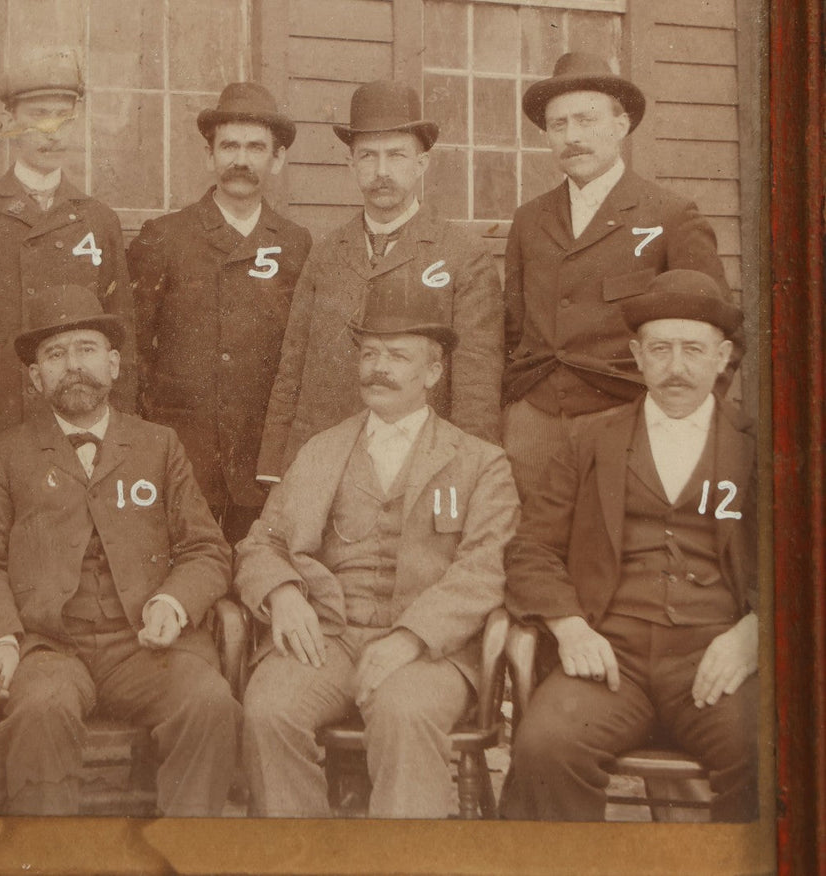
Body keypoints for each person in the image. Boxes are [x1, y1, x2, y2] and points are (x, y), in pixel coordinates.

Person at [236, 275, 518, 818]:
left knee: (404, 711)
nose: (378, 368)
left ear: (433, 371)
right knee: (269, 708)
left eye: (397, 355)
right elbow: (260, 544)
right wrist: (284, 595)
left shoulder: (480, 462)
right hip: (331, 636)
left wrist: (411, 637)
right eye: (369, 354)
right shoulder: (321, 450)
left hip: (429, 649)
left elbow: (483, 571)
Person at [0, 284, 238, 816]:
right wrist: (6, 638)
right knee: (40, 709)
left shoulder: (159, 445)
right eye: (55, 355)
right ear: (36, 377)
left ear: (113, 364)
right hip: (50, 647)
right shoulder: (4, 455)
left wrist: (172, 603)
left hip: (144, 647)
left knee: (209, 701)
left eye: (85, 349)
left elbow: (206, 549)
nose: (73, 365)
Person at [502, 269, 757, 822]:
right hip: (609, 659)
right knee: (546, 747)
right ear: (637, 357)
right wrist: (569, 626)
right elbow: (531, 550)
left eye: (694, 349)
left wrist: (758, 633)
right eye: (660, 350)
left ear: (723, 357)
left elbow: (805, 562)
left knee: (773, 752)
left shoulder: (759, 447)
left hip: (716, 657)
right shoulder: (587, 438)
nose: (677, 367)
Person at [0, 47, 134, 514]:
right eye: (37, 117)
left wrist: (121, 436)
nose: (51, 131)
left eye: (62, 116)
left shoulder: (98, 220)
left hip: (70, 420)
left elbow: (122, 342)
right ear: (7, 121)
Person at [502, 53, 730, 497]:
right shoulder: (529, 219)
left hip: (628, 425)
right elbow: (511, 330)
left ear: (621, 125)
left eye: (586, 120)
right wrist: (514, 415)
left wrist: (678, 427)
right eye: (558, 125)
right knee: (529, 551)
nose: (573, 137)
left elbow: (720, 335)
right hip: (533, 431)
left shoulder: (671, 215)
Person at [257, 80, 501, 483]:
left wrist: (466, 480)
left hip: (419, 468)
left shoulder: (462, 254)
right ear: (350, 164)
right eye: (368, 156)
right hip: (326, 464)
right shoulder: (326, 252)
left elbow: (476, 389)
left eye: (397, 155)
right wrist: (276, 469)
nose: (382, 171)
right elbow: (292, 369)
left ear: (421, 163)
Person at [127, 82, 312, 542]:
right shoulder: (164, 237)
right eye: (229, 146)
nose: (241, 160)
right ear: (210, 155)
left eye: (256, 147)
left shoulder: (295, 244)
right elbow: (133, 353)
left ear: (277, 159)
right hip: (183, 458)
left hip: (260, 465)